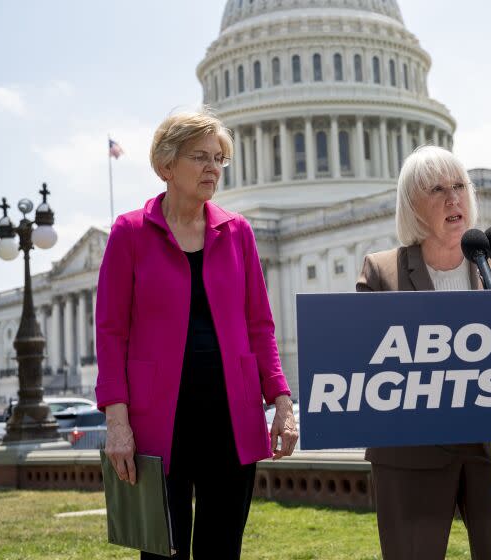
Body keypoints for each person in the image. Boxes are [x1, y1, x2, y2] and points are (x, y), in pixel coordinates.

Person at [96, 109, 298, 560]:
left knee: (222, 548)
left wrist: (282, 403)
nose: (213, 168)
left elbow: (260, 326)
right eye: (200, 157)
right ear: (166, 166)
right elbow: (111, 332)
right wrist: (117, 422)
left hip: (232, 412)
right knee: (161, 550)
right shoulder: (130, 232)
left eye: (219, 158)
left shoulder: (238, 231)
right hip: (156, 418)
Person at [356, 145, 491, 560]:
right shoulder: (381, 273)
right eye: (437, 189)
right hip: (411, 452)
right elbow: (365, 367)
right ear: (412, 205)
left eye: (459, 186)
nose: (454, 198)